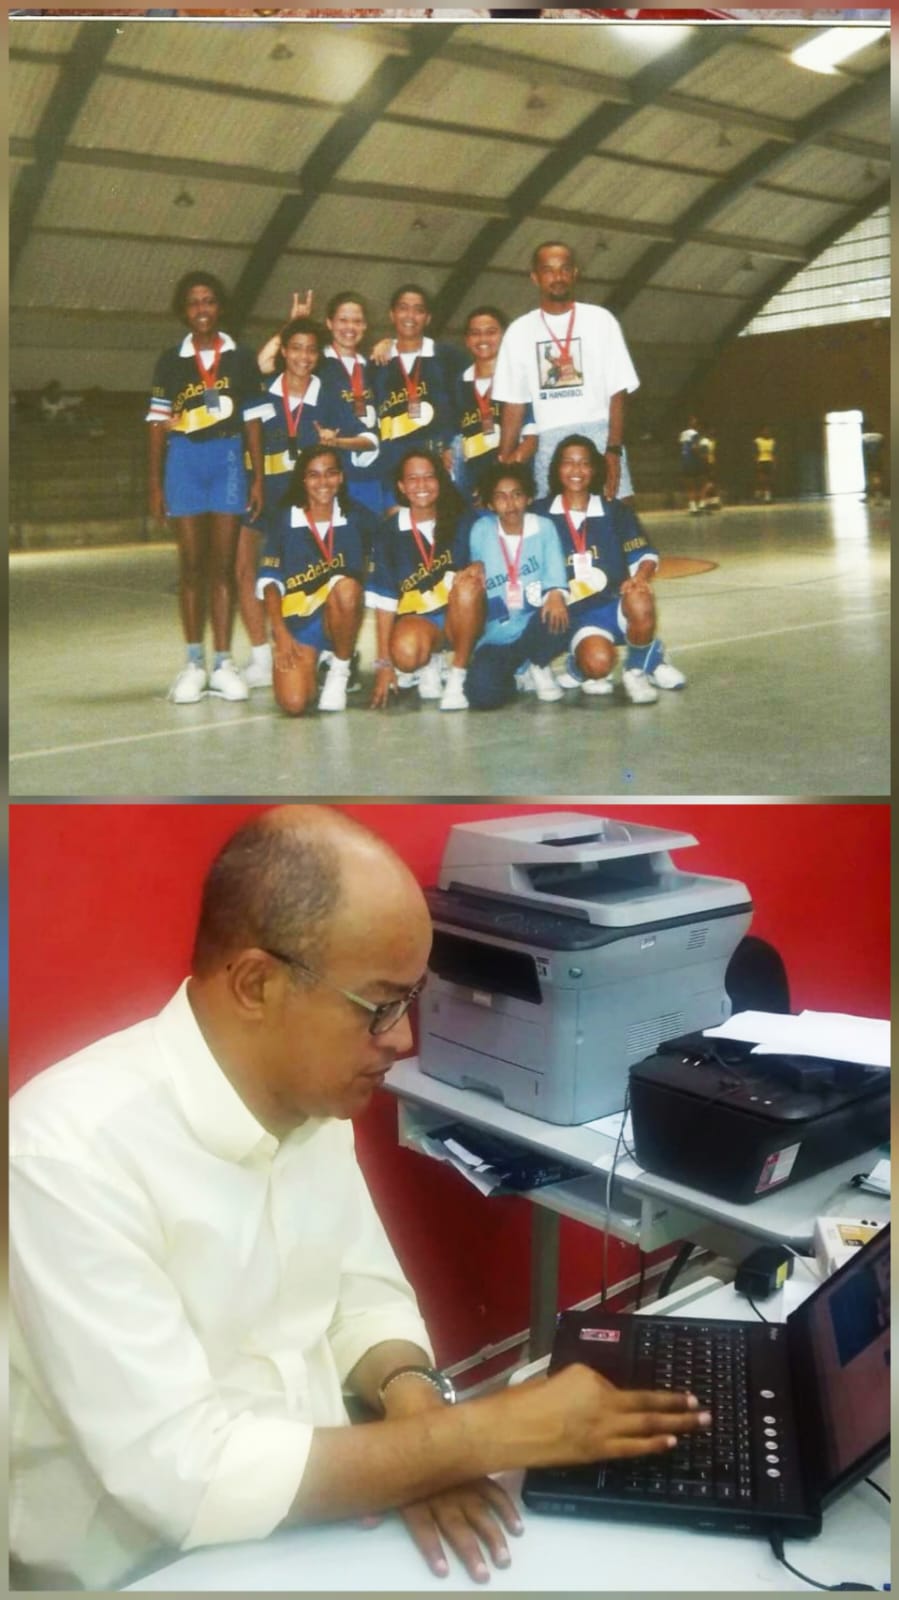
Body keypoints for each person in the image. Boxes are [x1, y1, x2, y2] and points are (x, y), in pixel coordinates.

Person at [10, 805, 710, 1592]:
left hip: (319, 1517)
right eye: (380, 1005)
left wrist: (414, 1408)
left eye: (411, 1000)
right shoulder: (64, 1152)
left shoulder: (308, 1099)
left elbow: (361, 1296)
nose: (404, 1039)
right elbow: (186, 1479)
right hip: (145, 1567)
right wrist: (476, 1437)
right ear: (256, 984)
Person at [238, 312, 377, 691]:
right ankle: (261, 656)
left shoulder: (328, 396)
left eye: (311, 350)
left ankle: (330, 650)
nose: (302, 357)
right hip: (264, 493)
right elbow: (248, 374)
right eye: (295, 348)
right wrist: (257, 485)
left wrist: (337, 442)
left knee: (317, 571)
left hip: (309, 500)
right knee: (247, 570)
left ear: (319, 356)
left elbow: (369, 439)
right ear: (283, 351)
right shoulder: (262, 390)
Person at [146, 270, 264, 704]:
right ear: (183, 309)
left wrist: (258, 478)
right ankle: (193, 663)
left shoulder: (240, 357)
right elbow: (158, 425)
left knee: (223, 569)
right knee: (191, 567)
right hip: (185, 459)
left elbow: (253, 420)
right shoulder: (169, 360)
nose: (202, 309)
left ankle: (223, 662)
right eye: (194, 302)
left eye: (210, 301)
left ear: (220, 307)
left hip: (229, 458)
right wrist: (156, 483)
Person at [534, 434, 686, 706]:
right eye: (568, 463)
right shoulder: (540, 513)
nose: (576, 470)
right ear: (557, 468)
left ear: (594, 470)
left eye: (584, 463)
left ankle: (636, 671)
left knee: (640, 596)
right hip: (577, 614)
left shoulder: (614, 511)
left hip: (616, 606)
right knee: (598, 664)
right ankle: (635, 657)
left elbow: (646, 555)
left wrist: (639, 577)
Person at [493, 240, 639, 500]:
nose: (557, 277)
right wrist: (503, 463)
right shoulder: (519, 331)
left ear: (575, 273)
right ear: (535, 277)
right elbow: (514, 405)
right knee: (554, 528)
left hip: (599, 435)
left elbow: (618, 391)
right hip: (548, 441)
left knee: (618, 519)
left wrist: (613, 450)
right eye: (548, 270)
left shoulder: (601, 320)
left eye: (564, 269)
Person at [256, 445, 373, 716]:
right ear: (303, 480)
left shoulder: (357, 516)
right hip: (300, 624)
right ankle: (317, 660)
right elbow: (270, 584)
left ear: (341, 477)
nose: (323, 482)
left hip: (339, 616)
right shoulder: (284, 519)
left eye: (331, 473)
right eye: (314, 475)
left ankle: (339, 670)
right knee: (294, 703)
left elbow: (394, 549)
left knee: (346, 587)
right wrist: (281, 634)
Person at [367, 451, 485, 712]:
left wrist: (480, 563)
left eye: (429, 477)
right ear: (401, 486)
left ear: (440, 481)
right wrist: (384, 665)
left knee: (467, 588)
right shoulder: (388, 532)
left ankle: (457, 677)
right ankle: (431, 660)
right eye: (413, 479)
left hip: (462, 615)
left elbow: (491, 548)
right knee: (406, 655)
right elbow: (384, 602)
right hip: (422, 620)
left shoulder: (461, 517)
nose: (421, 486)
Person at [463, 459, 570, 708]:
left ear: (529, 498)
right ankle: (515, 675)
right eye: (500, 497)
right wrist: (475, 565)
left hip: (535, 627)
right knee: (481, 695)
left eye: (517, 495)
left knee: (562, 610)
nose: (510, 504)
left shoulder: (544, 527)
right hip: (497, 637)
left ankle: (538, 664)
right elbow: (476, 566)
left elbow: (555, 580)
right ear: (490, 504)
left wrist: (555, 594)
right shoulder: (481, 529)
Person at [372, 283, 462, 501]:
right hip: (392, 465)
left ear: (428, 318)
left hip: (437, 464)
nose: (410, 315)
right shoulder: (377, 362)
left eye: (418, 309)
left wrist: (455, 446)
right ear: (392, 314)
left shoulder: (449, 358)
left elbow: (468, 403)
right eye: (403, 308)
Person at [453, 305, 537, 507]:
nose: (483, 340)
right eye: (475, 333)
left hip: (510, 493)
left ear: (504, 336)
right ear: (466, 340)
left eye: (491, 332)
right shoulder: (458, 383)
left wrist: (496, 485)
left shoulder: (519, 379)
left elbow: (531, 441)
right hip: (470, 490)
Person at [678, 415, 704, 514]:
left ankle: (692, 505)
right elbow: (694, 447)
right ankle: (699, 505)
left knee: (689, 485)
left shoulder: (682, 434)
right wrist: (701, 454)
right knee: (699, 483)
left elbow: (681, 444)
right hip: (693, 461)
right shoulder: (695, 434)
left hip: (684, 461)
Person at [753, 425, 776, 502]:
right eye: (765, 430)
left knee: (768, 480)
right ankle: (759, 492)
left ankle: (767, 496)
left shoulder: (772, 441)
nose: (767, 432)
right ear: (761, 431)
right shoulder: (758, 441)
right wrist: (756, 462)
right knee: (761, 479)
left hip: (769, 461)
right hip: (761, 461)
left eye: (768, 430)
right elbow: (755, 452)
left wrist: (774, 462)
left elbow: (773, 453)